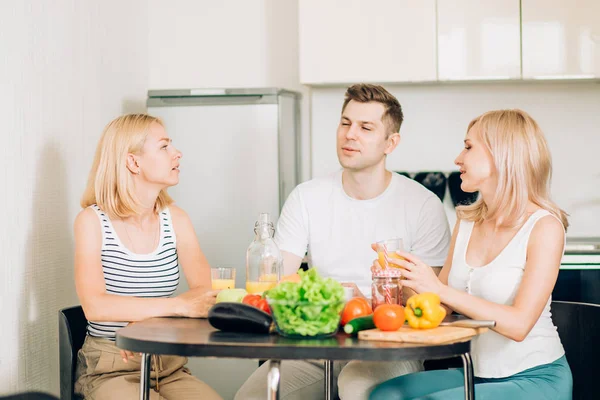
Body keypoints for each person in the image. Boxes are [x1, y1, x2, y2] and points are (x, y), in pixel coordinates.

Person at [235, 84, 451, 400]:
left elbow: (430, 298)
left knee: (356, 385)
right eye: (345, 123)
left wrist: (369, 297)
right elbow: (277, 280)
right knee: (253, 397)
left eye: (365, 127)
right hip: (321, 340)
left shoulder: (423, 204)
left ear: (391, 142)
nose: (350, 134)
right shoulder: (307, 196)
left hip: (391, 345)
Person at [370, 109, 572, 400]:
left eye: (468, 147)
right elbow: (442, 308)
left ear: (501, 154)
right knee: (386, 395)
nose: (457, 159)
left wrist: (438, 288)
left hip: (535, 377)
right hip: (476, 372)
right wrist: (403, 275)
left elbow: (518, 325)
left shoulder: (544, 227)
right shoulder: (467, 222)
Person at [73, 114, 223, 400]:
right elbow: (95, 306)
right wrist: (175, 306)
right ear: (133, 162)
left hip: (167, 363)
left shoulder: (176, 219)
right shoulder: (91, 222)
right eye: (164, 146)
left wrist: (144, 321)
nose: (177, 153)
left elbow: (208, 291)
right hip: (111, 367)